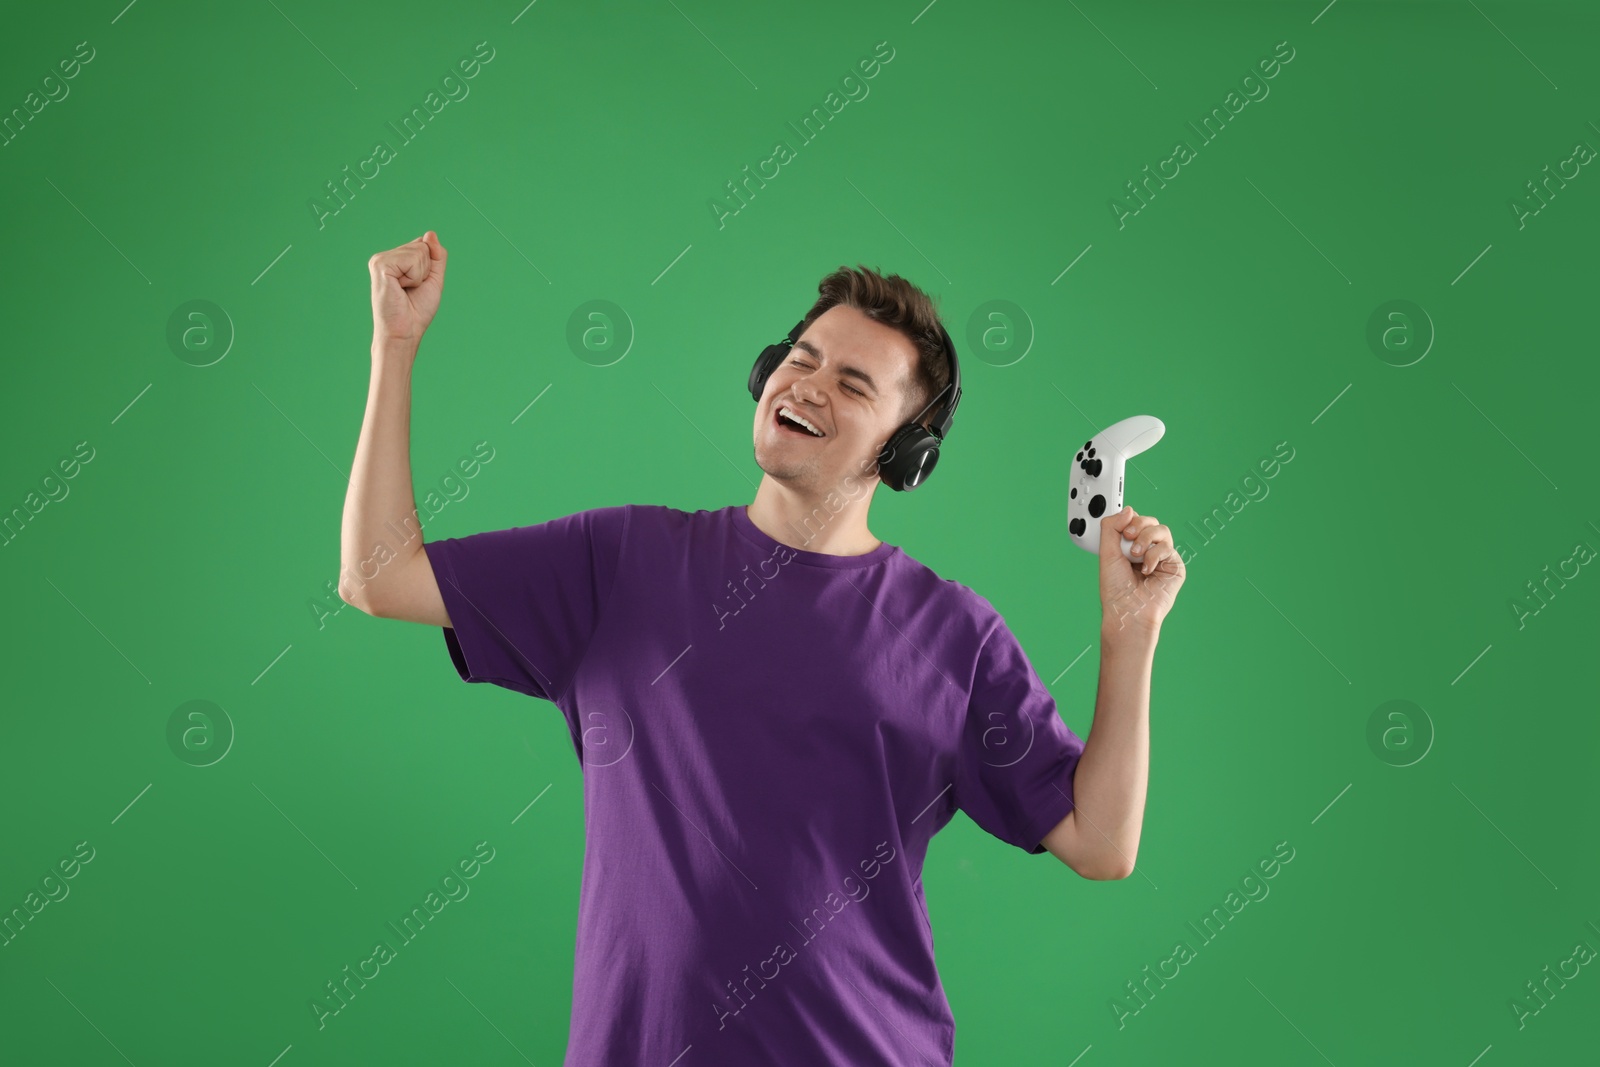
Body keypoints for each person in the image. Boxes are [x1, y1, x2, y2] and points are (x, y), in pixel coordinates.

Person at [339, 231, 1186, 1065]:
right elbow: (377, 578)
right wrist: (395, 344)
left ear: (906, 453)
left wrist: (1130, 635)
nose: (807, 385)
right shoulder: (623, 563)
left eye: (853, 383)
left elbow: (1101, 840)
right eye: (801, 357)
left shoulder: (954, 635)